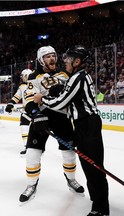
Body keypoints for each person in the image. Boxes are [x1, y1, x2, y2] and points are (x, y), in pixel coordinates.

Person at [33, 45, 110, 216]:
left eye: (69, 59)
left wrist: (42, 98)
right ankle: (98, 203)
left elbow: (61, 103)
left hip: (88, 125)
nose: (65, 61)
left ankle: (101, 209)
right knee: (89, 167)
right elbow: (67, 103)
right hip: (83, 125)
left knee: (94, 168)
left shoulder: (78, 78)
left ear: (77, 61)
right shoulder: (77, 76)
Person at [19, 45, 84, 204]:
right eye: (48, 56)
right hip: (41, 118)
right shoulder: (34, 77)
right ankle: (31, 184)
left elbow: (72, 93)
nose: (52, 58)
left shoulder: (64, 74)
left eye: (54, 55)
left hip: (62, 118)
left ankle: (71, 180)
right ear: (41, 60)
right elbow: (29, 100)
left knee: (69, 153)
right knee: (32, 154)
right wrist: (36, 114)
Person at [5, 68, 33, 156]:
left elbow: (16, 97)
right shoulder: (38, 83)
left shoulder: (23, 86)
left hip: (29, 111)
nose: (22, 78)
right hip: (36, 111)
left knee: (25, 128)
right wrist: (10, 103)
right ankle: (35, 147)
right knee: (27, 128)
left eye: (23, 76)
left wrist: (11, 103)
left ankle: (28, 147)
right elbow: (17, 97)